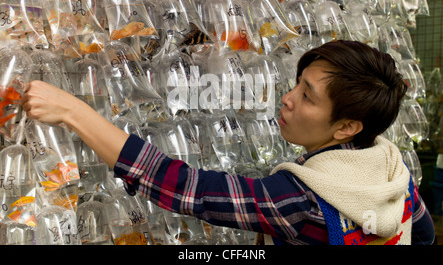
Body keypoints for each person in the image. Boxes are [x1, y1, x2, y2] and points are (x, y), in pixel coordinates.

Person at [21, 40, 435, 245]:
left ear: (347, 127)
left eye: (307, 96)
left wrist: (74, 112)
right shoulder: (392, 172)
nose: (288, 98)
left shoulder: (299, 200)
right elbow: (425, 235)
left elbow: (186, 188)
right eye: (297, 84)